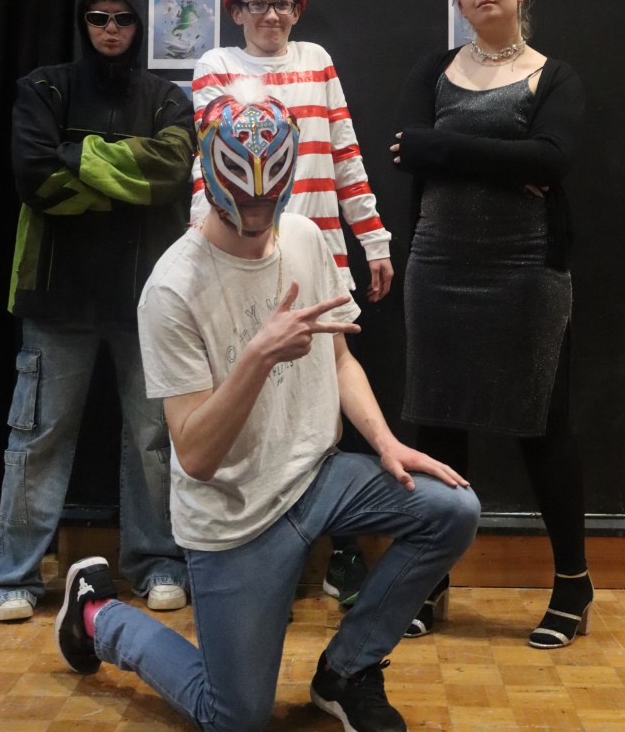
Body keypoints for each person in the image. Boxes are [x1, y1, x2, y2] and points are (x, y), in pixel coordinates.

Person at [55, 86, 480, 732]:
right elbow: (195, 456)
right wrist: (257, 357)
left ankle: (345, 672)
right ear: (210, 176)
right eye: (242, 198)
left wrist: (386, 443)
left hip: (318, 477)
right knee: (234, 718)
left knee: (452, 510)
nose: (256, 213)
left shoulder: (304, 237)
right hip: (235, 518)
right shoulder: (172, 289)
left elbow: (340, 361)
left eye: (267, 198)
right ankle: (96, 615)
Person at [0, 0, 195, 621]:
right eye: (98, 18)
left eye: (122, 18)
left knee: (154, 440)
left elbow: (171, 172)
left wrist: (79, 157)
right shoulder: (43, 88)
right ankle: (9, 578)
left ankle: (157, 563)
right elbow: (35, 178)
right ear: (83, 21)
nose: (110, 29)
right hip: (56, 297)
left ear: (139, 24)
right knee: (37, 438)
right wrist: (127, 178)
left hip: (148, 299)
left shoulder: (167, 98)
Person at [391, 0, 589, 647]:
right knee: (438, 426)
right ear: (460, 1)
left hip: (526, 269)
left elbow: (553, 159)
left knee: (543, 428)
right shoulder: (434, 70)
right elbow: (406, 149)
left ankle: (573, 585)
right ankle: (430, 581)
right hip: (438, 264)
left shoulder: (553, 76)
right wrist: (510, 159)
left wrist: (446, 149)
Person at [190, 0, 394, 605]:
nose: (271, 14)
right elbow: (211, 165)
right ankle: (252, 549)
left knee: (328, 398)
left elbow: (344, 153)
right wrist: (200, 254)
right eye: (257, 3)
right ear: (236, 11)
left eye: (281, 3)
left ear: (295, 9)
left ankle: (341, 548)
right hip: (245, 258)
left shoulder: (317, 61)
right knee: (248, 396)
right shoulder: (214, 66)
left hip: (317, 254)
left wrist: (373, 238)